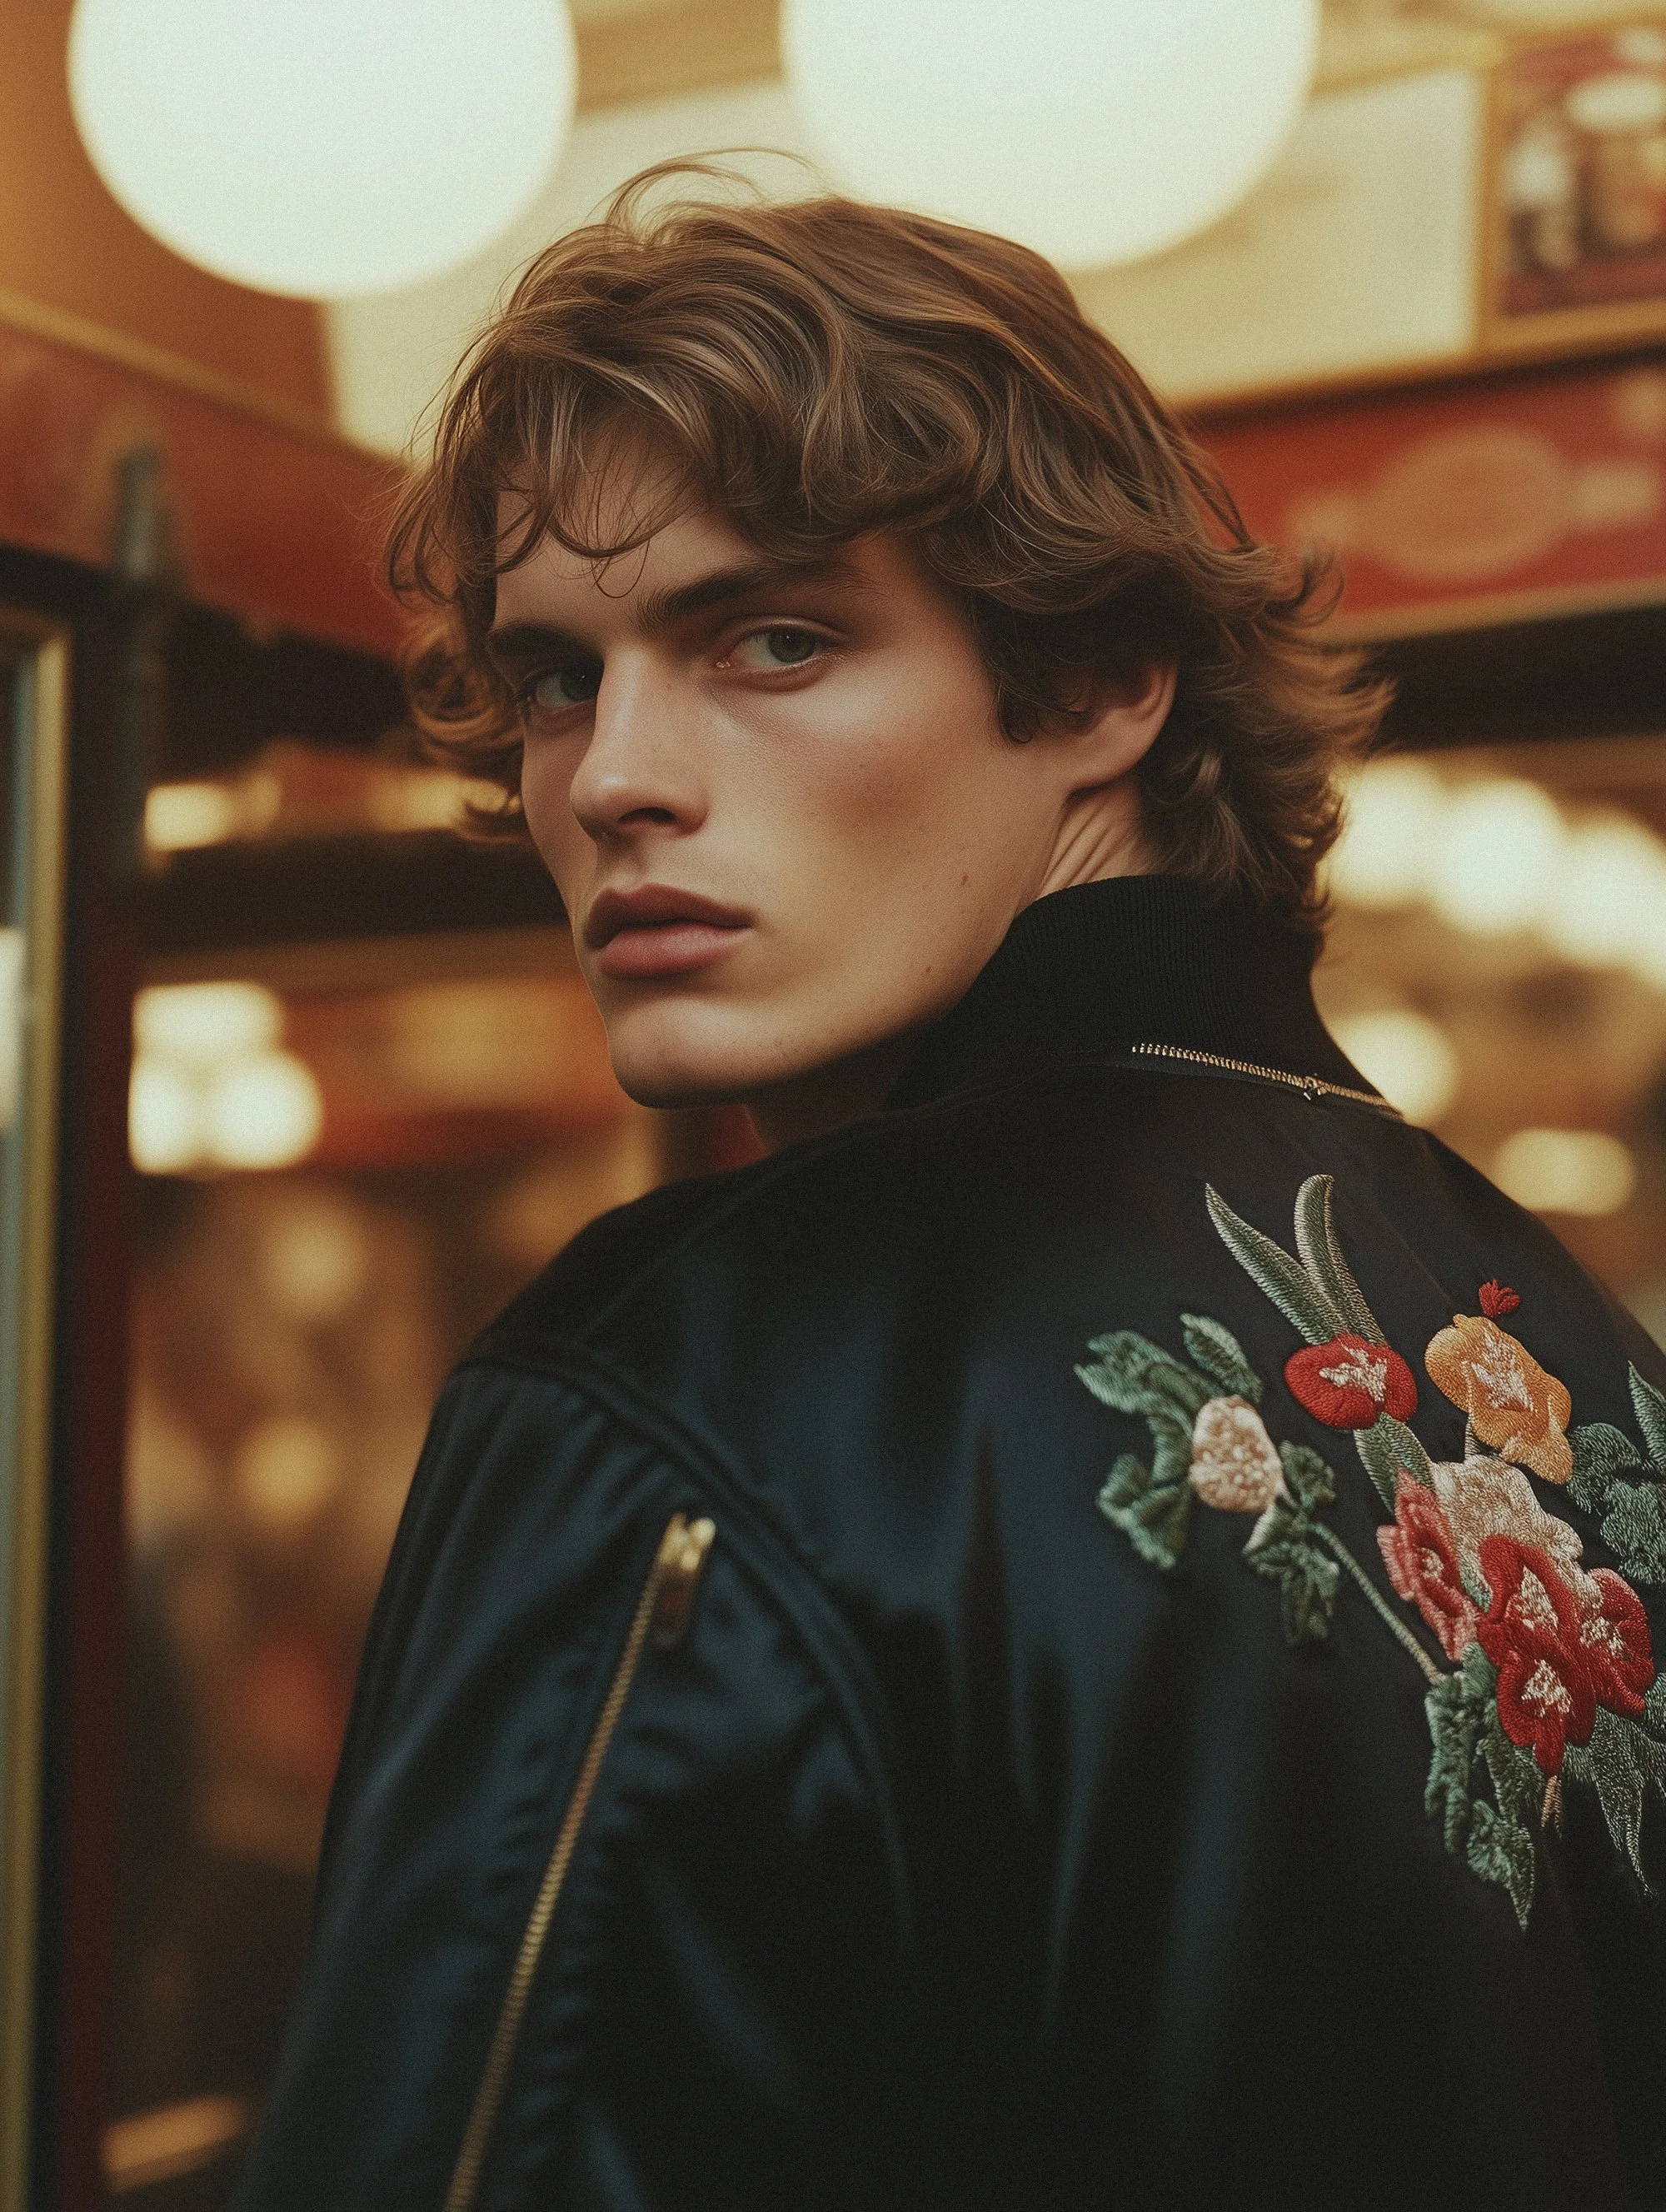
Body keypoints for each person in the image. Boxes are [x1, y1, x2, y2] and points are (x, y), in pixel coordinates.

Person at [237, 172, 1666, 2212]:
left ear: (1097, 682)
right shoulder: (1589, 1369)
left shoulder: (700, 1361)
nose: (617, 772)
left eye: (776, 639)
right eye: (559, 676)